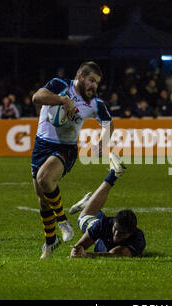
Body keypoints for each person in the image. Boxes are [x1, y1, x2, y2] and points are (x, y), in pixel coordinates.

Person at [31, 61, 113, 259]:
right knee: (43, 201)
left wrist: (102, 142)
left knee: (45, 178)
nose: (94, 85)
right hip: (41, 145)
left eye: (97, 82)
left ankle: (63, 223)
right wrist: (62, 100)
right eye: (91, 80)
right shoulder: (61, 85)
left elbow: (109, 124)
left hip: (65, 149)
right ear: (80, 77)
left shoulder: (95, 104)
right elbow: (37, 97)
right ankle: (51, 242)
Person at [70, 153, 146, 258]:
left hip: (100, 239)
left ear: (131, 232)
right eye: (116, 229)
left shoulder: (138, 238)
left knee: (85, 216)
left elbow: (116, 254)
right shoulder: (104, 224)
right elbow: (79, 246)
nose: (116, 235)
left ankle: (89, 201)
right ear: (114, 222)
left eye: (122, 233)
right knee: (83, 218)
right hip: (101, 225)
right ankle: (112, 175)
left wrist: (87, 255)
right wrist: (76, 251)